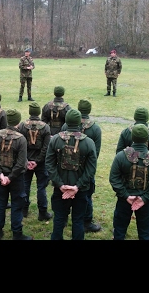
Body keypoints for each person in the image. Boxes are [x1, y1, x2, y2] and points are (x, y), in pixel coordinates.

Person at [46, 109, 97, 240]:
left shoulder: (55, 140)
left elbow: (49, 164)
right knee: (78, 220)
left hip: (60, 189)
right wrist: (77, 187)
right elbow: (91, 170)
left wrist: (60, 184)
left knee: (59, 219)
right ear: (79, 122)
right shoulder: (89, 143)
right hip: (81, 190)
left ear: (66, 121)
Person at [109, 124, 149, 240]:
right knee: (145, 233)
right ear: (147, 139)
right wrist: (145, 198)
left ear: (132, 137)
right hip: (145, 201)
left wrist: (125, 195)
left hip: (124, 200)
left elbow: (114, 178)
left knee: (119, 232)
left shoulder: (121, 156)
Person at [0, 108, 32, 240]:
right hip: (16, 178)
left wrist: (1, 175)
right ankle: (17, 233)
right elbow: (21, 163)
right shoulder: (21, 139)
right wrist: (10, 177)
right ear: (18, 122)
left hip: (1, 177)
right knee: (17, 205)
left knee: (1, 203)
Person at [61, 98, 102, 233]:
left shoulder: (67, 126)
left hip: (67, 168)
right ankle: (86, 221)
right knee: (86, 195)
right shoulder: (95, 128)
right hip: (86, 169)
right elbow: (95, 153)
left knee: (65, 194)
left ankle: (64, 219)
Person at [17, 101, 53, 221]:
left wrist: (27, 160)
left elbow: (20, 146)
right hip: (41, 162)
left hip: (26, 161)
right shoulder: (46, 127)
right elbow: (46, 148)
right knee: (41, 187)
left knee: (25, 185)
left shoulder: (22, 126)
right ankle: (42, 212)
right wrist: (37, 161)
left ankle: (24, 210)